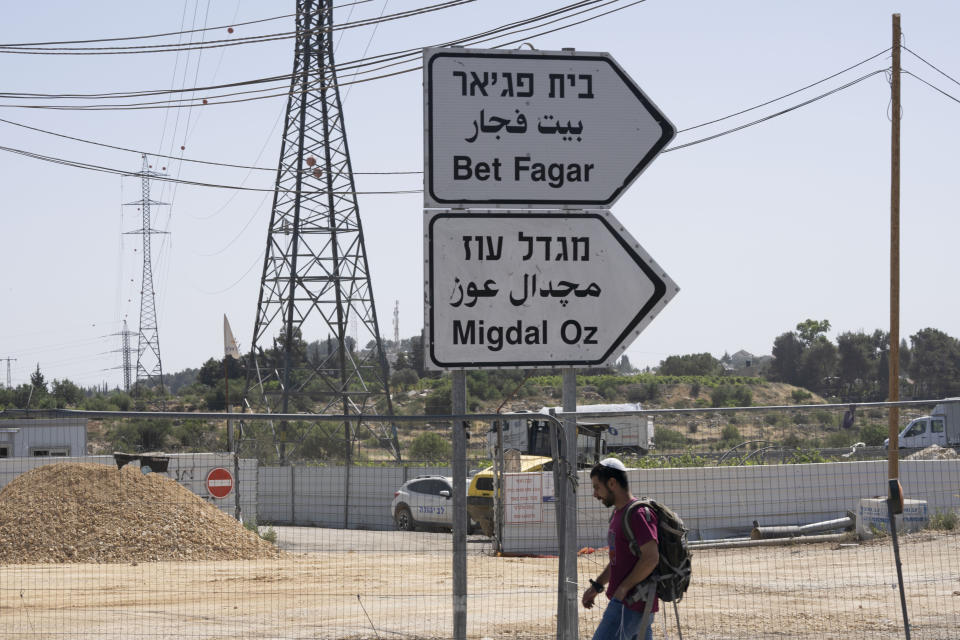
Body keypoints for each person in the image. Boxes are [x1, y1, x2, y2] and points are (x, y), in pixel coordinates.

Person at [582, 457, 658, 640]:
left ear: (612, 483)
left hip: (630, 604)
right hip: (630, 604)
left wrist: (623, 588)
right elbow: (619, 559)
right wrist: (597, 586)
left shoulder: (637, 514)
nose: (595, 494)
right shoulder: (619, 514)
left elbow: (651, 558)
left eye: (596, 487)